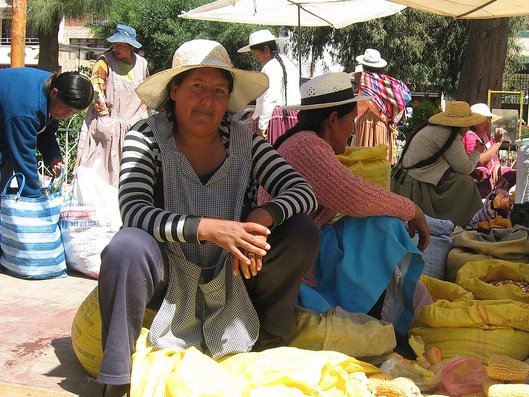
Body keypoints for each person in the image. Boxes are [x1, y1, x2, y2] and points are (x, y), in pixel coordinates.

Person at [96, 39, 320, 397]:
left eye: (219, 91)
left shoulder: (247, 143)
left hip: (232, 274)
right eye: (197, 87)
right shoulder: (147, 139)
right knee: (126, 247)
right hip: (167, 277)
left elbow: (302, 192)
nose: (208, 100)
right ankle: (117, 376)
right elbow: (134, 211)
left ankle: (266, 334)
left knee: (301, 231)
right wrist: (210, 228)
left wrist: (263, 216)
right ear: (174, 91)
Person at [259, 72, 430, 346]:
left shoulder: (305, 141)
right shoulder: (306, 146)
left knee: (374, 223)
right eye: (351, 121)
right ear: (333, 119)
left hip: (301, 245)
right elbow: (355, 197)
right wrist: (413, 211)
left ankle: (380, 305)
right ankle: (367, 309)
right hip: (293, 257)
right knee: (378, 225)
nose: (353, 130)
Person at [391, 101, 487, 227]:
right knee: (466, 184)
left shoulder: (437, 129)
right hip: (414, 184)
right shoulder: (448, 135)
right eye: (467, 125)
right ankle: (459, 223)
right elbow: (466, 168)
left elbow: (454, 163)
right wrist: (477, 151)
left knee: (462, 180)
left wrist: (473, 170)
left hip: (407, 179)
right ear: (463, 125)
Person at [0, 68, 93, 197]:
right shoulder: (27, 108)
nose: (66, 115)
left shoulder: (55, 86)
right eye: (66, 109)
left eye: (73, 113)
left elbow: (45, 131)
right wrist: (35, 201)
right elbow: (24, 156)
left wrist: (53, 156)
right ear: (54, 93)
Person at [76, 24, 149, 187]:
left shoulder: (142, 64)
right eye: (115, 44)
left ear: (130, 46)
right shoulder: (104, 61)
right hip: (108, 125)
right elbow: (96, 88)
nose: (116, 48)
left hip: (133, 125)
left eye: (121, 45)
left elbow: (147, 89)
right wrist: (105, 117)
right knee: (103, 174)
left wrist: (143, 111)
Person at [238, 29, 301, 144]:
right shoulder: (290, 64)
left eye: (257, 55)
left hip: (276, 119)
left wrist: (262, 125)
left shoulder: (270, 67)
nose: (257, 59)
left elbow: (269, 98)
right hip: (292, 117)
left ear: (266, 49)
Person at [355, 48, 411, 164]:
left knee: (367, 162)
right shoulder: (389, 83)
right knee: (381, 161)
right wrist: (392, 120)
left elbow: (368, 106)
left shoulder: (365, 82)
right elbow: (401, 102)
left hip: (368, 124)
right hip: (385, 126)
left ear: (364, 66)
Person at [463, 103, 516, 198]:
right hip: (478, 183)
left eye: (489, 119)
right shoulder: (469, 135)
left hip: (489, 179)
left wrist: (496, 166)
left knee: (511, 173)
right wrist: (498, 143)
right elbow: (479, 161)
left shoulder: (485, 136)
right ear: (474, 122)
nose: (488, 122)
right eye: (484, 119)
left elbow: (494, 158)